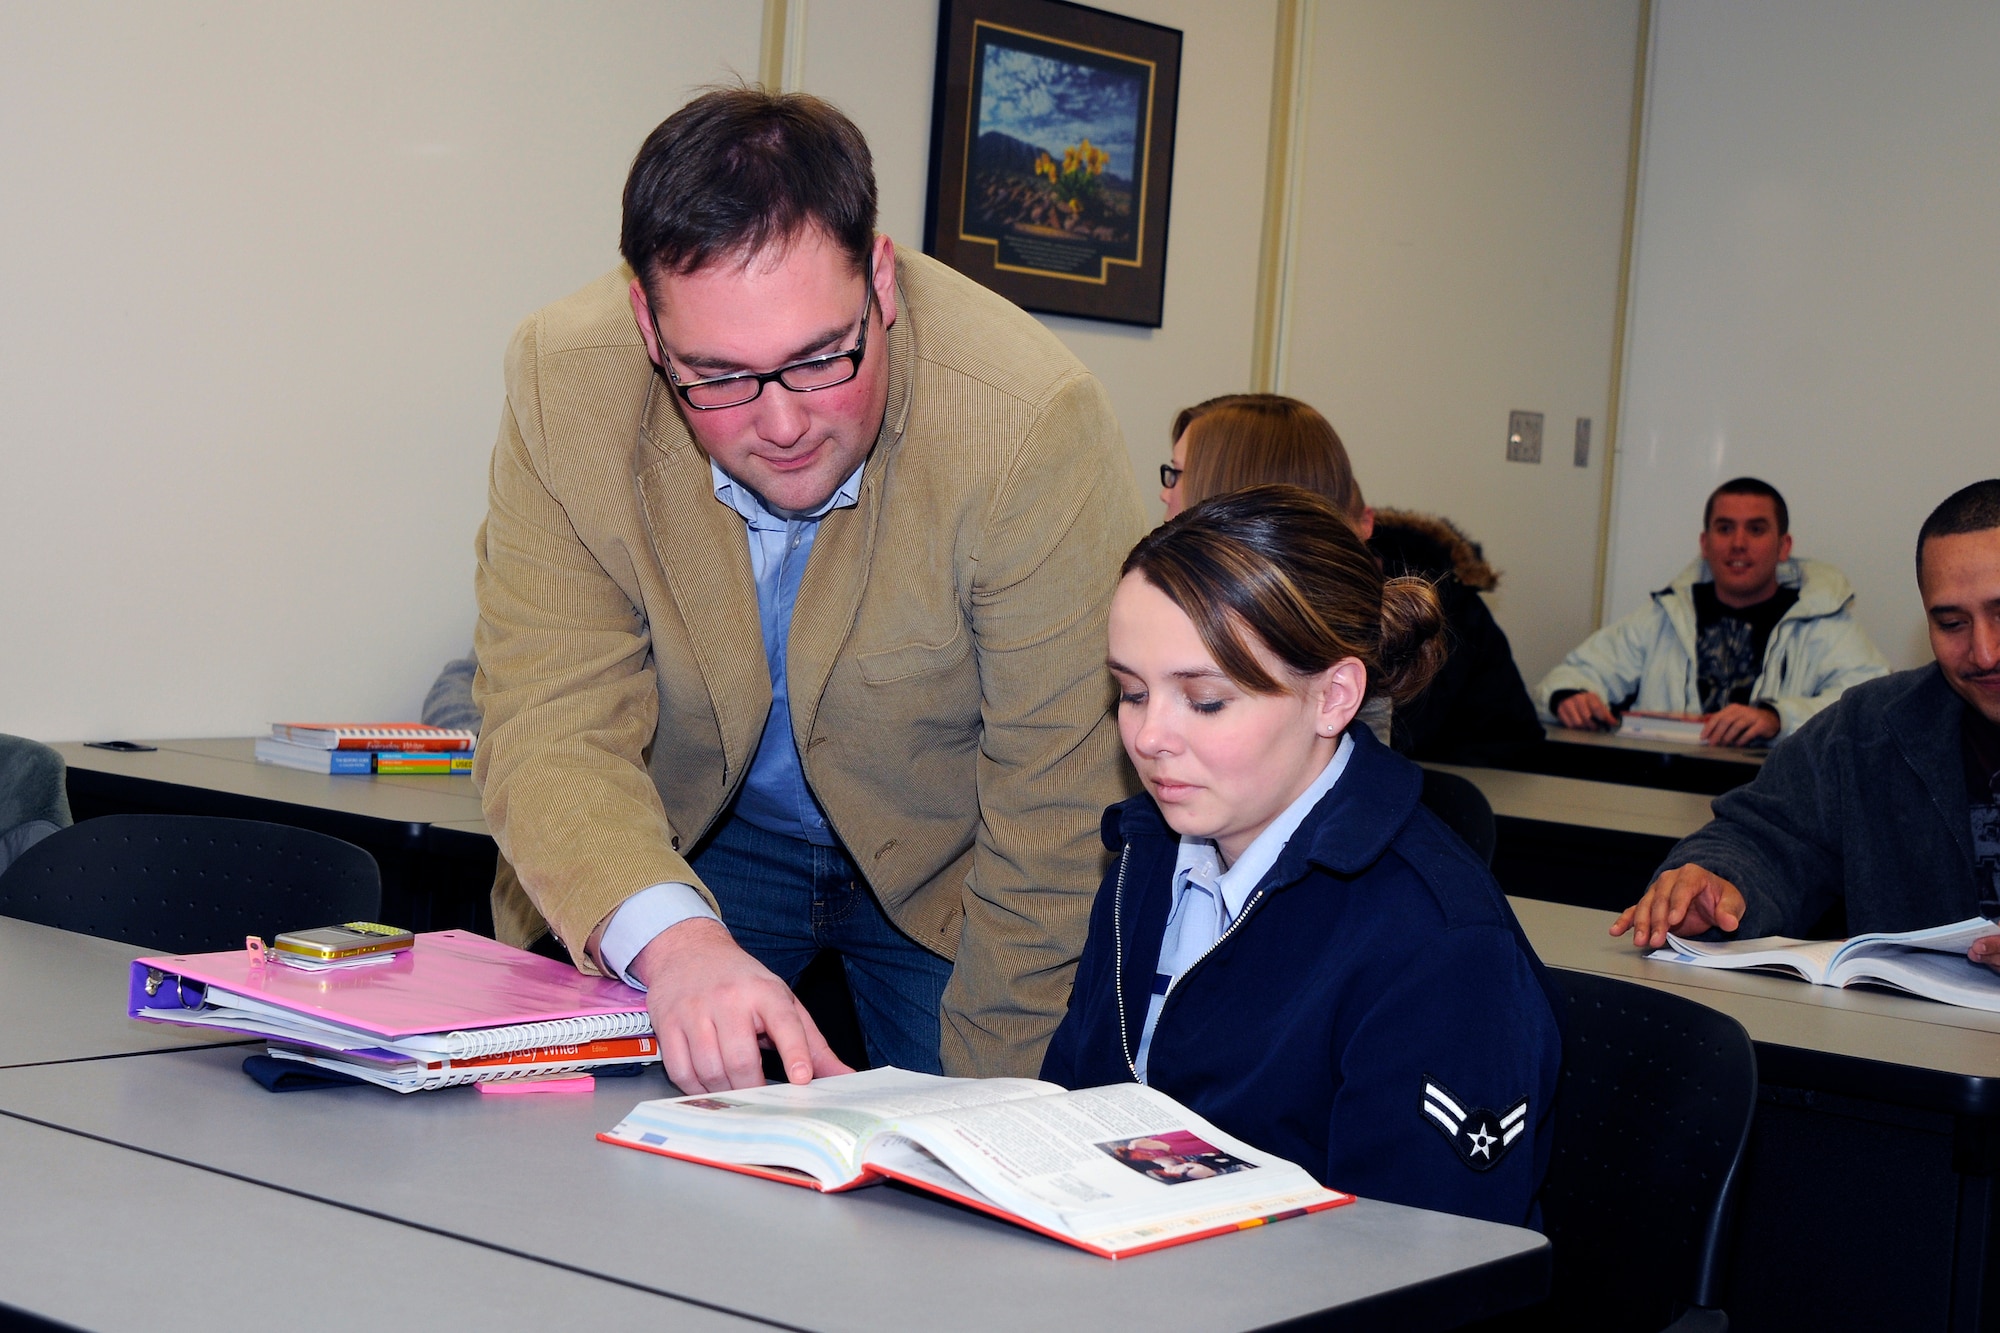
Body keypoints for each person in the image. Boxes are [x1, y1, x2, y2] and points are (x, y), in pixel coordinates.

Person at [472, 89, 1147, 1094]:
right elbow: (548, 723)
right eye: (718, 376)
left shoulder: (1028, 420)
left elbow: (1053, 809)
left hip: (951, 865)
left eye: (820, 360)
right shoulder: (562, 383)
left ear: (880, 281)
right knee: (600, 1166)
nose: (781, 423)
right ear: (648, 328)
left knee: (976, 1181)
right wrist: (676, 944)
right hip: (689, 833)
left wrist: (997, 1121)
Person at [1041, 485, 1562, 1227]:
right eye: (1129, 692)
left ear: (1333, 697)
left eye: (1206, 699)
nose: (1150, 736)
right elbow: (1073, 1103)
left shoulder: (1440, 946)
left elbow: (1418, 1272)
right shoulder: (1147, 853)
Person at [1613, 480, 2000, 967]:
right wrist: (1715, 881)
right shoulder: (1869, 728)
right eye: (1951, 624)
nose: (1984, 653)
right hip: (1900, 1037)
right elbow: (1765, 837)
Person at [1159, 394, 1544, 764]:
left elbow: (1509, 751)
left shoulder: (1394, 626)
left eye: (1176, 475)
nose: (1164, 493)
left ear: (1233, 491)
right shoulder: (1168, 603)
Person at [1536, 477, 1888, 746]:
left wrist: (1778, 718)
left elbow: (1872, 708)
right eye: (1724, 528)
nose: (1738, 543)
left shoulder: (1822, 621)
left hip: (1772, 804)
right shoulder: (1665, 617)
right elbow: (1563, 680)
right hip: (1662, 795)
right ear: (1705, 544)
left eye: (1756, 529)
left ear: (1784, 547)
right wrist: (1569, 697)